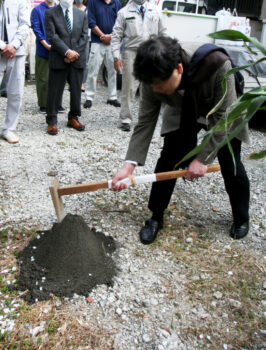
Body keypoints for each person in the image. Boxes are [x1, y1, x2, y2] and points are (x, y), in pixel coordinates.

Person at [112, 35, 250, 244]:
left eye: (159, 85)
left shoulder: (218, 65)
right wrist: (128, 165)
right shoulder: (153, 76)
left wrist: (203, 159)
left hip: (221, 109)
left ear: (179, 69)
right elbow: (145, 122)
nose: (155, 90)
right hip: (181, 106)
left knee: (231, 162)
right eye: (151, 85)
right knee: (169, 157)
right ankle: (156, 216)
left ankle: (241, 218)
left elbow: (223, 119)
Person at [111, 0, 166, 131]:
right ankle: (126, 119)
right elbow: (116, 36)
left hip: (150, 53)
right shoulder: (123, 12)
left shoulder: (155, 10)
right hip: (131, 53)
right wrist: (115, 56)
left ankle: (145, 119)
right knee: (129, 87)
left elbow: (163, 33)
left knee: (148, 88)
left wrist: (163, 53)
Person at [44, 0, 88, 135]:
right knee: (55, 91)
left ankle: (73, 117)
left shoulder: (82, 14)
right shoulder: (50, 13)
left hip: (76, 58)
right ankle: (52, 120)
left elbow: (84, 36)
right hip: (59, 57)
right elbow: (52, 36)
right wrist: (66, 52)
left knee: (76, 90)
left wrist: (72, 54)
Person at [0, 0, 30, 144]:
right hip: (2, 49)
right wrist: (2, 45)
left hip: (16, 52)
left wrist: (14, 45)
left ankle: (9, 129)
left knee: (16, 92)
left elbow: (24, 24)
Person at [83, 0, 122, 109]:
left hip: (113, 42)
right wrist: (102, 36)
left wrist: (110, 36)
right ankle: (89, 97)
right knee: (92, 70)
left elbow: (120, 23)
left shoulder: (117, 3)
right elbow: (91, 21)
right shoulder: (93, 2)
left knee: (112, 71)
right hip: (97, 41)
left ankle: (112, 97)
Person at [31, 0, 64, 115]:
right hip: (43, 50)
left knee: (59, 79)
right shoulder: (37, 10)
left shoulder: (59, 8)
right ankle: (43, 105)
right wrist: (45, 44)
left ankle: (57, 103)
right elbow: (36, 29)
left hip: (58, 49)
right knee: (43, 79)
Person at [73, 0, 89, 92]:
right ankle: (73, 82)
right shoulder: (71, 8)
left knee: (84, 62)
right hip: (73, 38)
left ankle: (82, 83)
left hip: (85, 39)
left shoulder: (87, 10)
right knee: (73, 60)